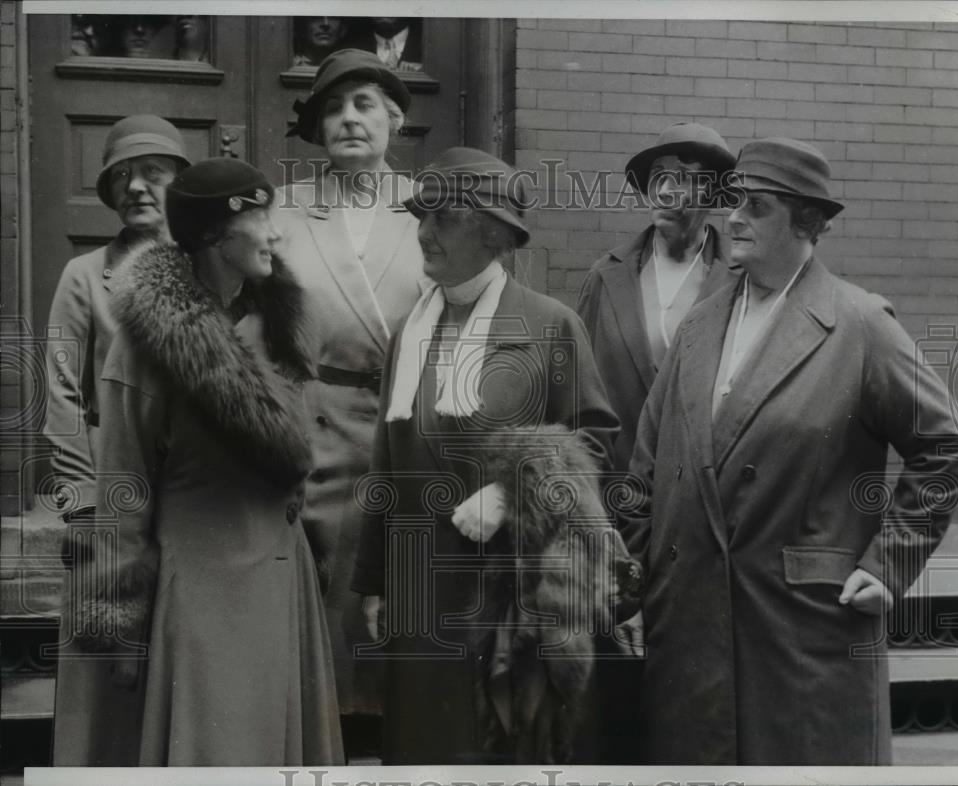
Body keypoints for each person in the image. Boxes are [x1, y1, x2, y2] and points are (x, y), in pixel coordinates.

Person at [621, 138, 958, 765]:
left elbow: (941, 447)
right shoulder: (700, 324)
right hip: (689, 623)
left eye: (756, 207)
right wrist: (635, 584)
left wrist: (887, 565)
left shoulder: (858, 323)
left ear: (806, 223)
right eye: (733, 204)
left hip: (800, 627)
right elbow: (647, 463)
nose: (734, 218)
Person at [54, 158, 344, 766]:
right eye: (260, 218)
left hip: (282, 579)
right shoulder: (147, 344)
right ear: (214, 235)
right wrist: (121, 617)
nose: (275, 232)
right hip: (202, 588)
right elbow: (124, 487)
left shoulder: (283, 325)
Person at [351, 147, 624, 764]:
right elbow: (385, 464)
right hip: (417, 586)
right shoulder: (407, 332)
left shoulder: (549, 324)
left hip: (508, 584)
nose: (423, 233)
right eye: (420, 217)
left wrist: (512, 491)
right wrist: (373, 582)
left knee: (501, 744)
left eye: (442, 218)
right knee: (424, 745)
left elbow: (596, 440)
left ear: (492, 231)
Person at [279, 48, 426, 756]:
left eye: (364, 104)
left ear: (395, 117)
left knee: (397, 601)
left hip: (406, 434)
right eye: (333, 108)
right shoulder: (282, 214)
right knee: (322, 612)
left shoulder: (432, 211)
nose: (348, 119)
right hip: (313, 433)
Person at [44, 115, 190, 525]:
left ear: (179, 184)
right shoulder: (84, 275)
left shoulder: (207, 268)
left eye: (153, 173)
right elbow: (60, 392)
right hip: (115, 482)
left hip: (196, 489)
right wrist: (83, 502)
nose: (135, 186)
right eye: (122, 175)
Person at [577, 122, 737, 475]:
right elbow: (577, 393)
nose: (664, 190)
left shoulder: (742, 280)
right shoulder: (607, 276)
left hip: (704, 496)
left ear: (711, 191)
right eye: (658, 176)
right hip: (618, 495)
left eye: (681, 177)